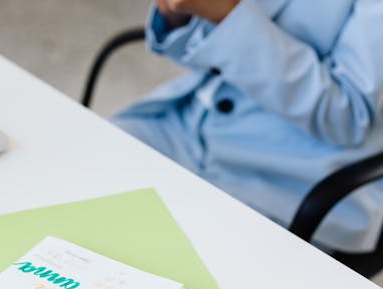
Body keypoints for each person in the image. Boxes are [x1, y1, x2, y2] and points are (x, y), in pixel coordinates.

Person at [113, 0, 383, 253]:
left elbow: (348, 116)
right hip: (188, 122)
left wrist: (227, 16)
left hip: (294, 182)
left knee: (155, 259)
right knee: (88, 165)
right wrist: (179, 14)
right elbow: (207, 51)